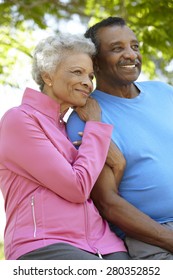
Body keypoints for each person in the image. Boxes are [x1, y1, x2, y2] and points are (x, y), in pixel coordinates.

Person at [0, 33, 129, 260]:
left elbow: (96, 193)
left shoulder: (71, 127)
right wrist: (96, 126)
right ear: (47, 76)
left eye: (90, 76)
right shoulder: (19, 120)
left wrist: (117, 165)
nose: (88, 83)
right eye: (77, 72)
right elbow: (77, 188)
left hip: (105, 245)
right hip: (44, 243)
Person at [67, 17, 173, 260]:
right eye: (117, 48)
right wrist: (169, 240)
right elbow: (107, 203)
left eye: (134, 46)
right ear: (95, 62)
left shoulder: (165, 93)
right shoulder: (86, 118)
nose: (130, 55)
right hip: (152, 239)